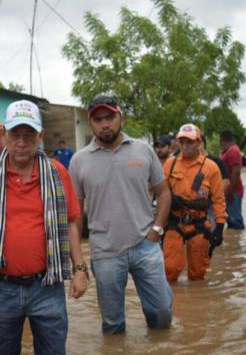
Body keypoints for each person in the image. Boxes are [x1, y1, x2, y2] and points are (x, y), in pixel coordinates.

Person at [0, 100, 88, 355]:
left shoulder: (57, 173)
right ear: (5, 135)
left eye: (28, 135)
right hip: (1, 287)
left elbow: (70, 224)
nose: (21, 142)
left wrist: (79, 270)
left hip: (48, 286)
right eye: (15, 134)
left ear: (39, 137)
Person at [69, 95, 173, 333]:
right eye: (98, 119)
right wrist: (79, 264)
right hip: (105, 252)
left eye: (110, 117)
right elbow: (74, 217)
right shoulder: (78, 161)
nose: (105, 124)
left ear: (121, 118)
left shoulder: (143, 150)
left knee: (162, 314)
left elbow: (164, 193)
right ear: (91, 123)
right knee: (112, 325)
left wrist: (157, 231)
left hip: (145, 246)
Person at [162, 124, 226, 282]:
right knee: (170, 269)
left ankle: (197, 304)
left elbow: (218, 200)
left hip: (199, 224)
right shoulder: (170, 164)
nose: (185, 146)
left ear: (199, 143)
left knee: (198, 274)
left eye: (190, 142)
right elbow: (161, 192)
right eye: (182, 142)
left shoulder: (211, 167)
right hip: (174, 223)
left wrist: (219, 227)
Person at [219, 130, 245, 229]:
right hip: (231, 190)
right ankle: (233, 241)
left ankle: (237, 242)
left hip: (233, 191)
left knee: (235, 221)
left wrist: (230, 191)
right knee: (231, 220)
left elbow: (236, 172)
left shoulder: (233, 151)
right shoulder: (230, 150)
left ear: (222, 140)